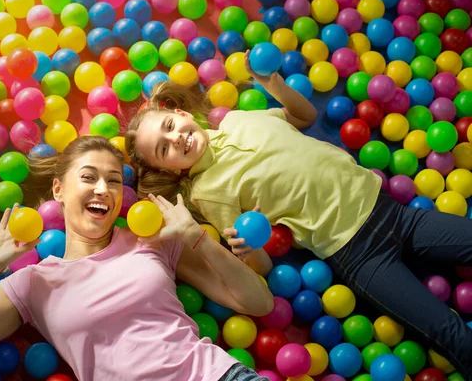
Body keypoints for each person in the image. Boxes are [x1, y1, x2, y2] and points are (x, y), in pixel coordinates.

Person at [125, 53, 472, 378]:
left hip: (394, 215)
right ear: (168, 170)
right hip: (357, 253)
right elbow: (260, 267)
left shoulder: (239, 119)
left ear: (183, 115)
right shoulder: (207, 191)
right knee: (446, 329)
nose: (176, 139)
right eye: (164, 149)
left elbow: (304, 117)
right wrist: (248, 248)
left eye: (170, 125)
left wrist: (274, 84)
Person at [0, 136, 275, 381]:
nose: (103, 189)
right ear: (59, 189)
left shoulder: (153, 242)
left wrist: (197, 237)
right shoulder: (32, 282)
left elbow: (257, 302)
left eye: (114, 181)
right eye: (89, 177)